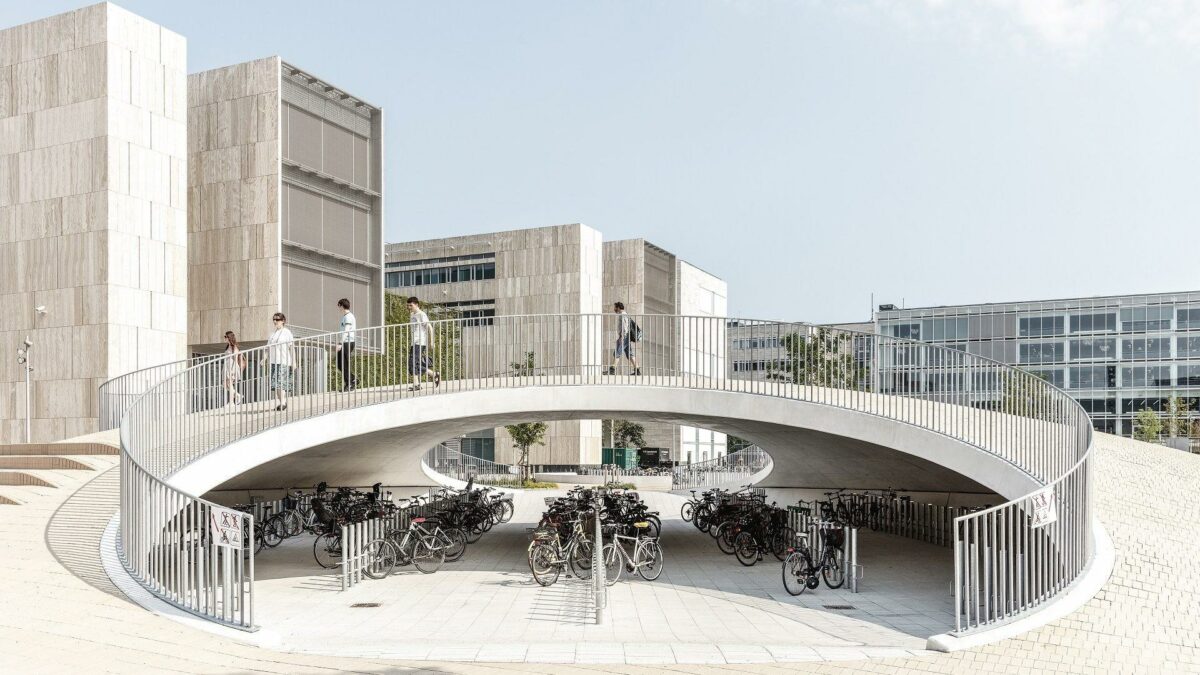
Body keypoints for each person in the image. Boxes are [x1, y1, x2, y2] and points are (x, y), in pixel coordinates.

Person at [263, 312, 296, 411]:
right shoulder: (272, 334)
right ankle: (282, 402)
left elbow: (292, 347)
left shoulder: (287, 332)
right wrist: (264, 359)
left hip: (284, 361)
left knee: (281, 383)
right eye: (274, 319)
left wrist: (294, 362)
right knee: (275, 384)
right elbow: (267, 348)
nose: (275, 321)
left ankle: (282, 403)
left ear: (283, 321)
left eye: (277, 319)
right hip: (274, 362)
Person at [407, 296, 440, 391]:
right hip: (414, 343)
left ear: (416, 304)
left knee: (412, 363)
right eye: (408, 305)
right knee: (414, 363)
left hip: (420, 342)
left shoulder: (422, 314)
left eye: (411, 305)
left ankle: (417, 384)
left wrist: (432, 341)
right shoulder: (412, 315)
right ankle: (433, 374)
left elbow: (429, 327)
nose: (409, 307)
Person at [607, 301, 641, 376]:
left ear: (618, 307)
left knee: (617, 352)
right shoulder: (624, 314)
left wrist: (622, 336)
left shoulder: (623, 314)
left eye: (615, 307)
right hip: (626, 336)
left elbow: (625, 326)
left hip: (624, 336)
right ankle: (637, 370)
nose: (614, 309)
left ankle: (612, 369)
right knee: (630, 354)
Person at [335, 298, 357, 392]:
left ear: (342, 306)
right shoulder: (346, 316)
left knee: (343, 364)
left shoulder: (348, 317)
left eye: (339, 306)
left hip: (347, 342)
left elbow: (346, 330)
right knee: (340, 364)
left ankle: (349, 384)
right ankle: (353, 379)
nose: (338, 308)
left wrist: (340, 343)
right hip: (346, 342)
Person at [222, 330, 245, 406]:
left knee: (230, 384)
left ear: (229, 338)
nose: (225, 338)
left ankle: (231, 402)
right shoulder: (228, 347)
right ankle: (238, 395)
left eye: (226, 337)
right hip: (227, 366)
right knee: (225, 384)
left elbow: (235, 358)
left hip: (232, 367)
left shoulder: (234, 347)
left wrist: (232, 371)